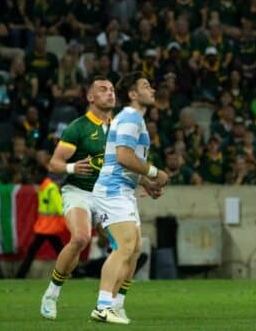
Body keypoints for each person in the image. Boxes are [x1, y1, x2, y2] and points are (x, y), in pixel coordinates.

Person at [91, 72, 168, 324]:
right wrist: (155, 172)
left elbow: (125, 160)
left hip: (123, 190)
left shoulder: (134, 119)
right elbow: (123, 157)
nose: (152, 89)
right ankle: (103, 306)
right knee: (124, 247)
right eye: (145, 86)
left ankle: (116, 304)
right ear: (133, 94)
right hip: (112, 190)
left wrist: (146, 183)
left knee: (134, 250)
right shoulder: (130, 117)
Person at [40, 76, 117, 320]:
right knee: (81, 238)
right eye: (103, 89)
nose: (110, 93)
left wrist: (145, 182)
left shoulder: (118, 128)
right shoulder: (78, 127)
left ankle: (112, 303)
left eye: (112, 89)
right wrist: (73, 168)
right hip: (79, 191)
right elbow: (54, 163)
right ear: (90, 97)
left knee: (125, 246)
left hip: (106, 194)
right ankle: (52, 293)